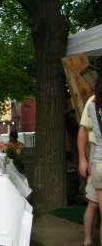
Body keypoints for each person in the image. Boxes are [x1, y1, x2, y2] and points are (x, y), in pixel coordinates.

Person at [79, 75, 102, 246]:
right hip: (96, 153)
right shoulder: (93, 101)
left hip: (98, 159)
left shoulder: (94, 103)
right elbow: (82, 131)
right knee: (93, 204)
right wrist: (82, 159)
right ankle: (87, 239)